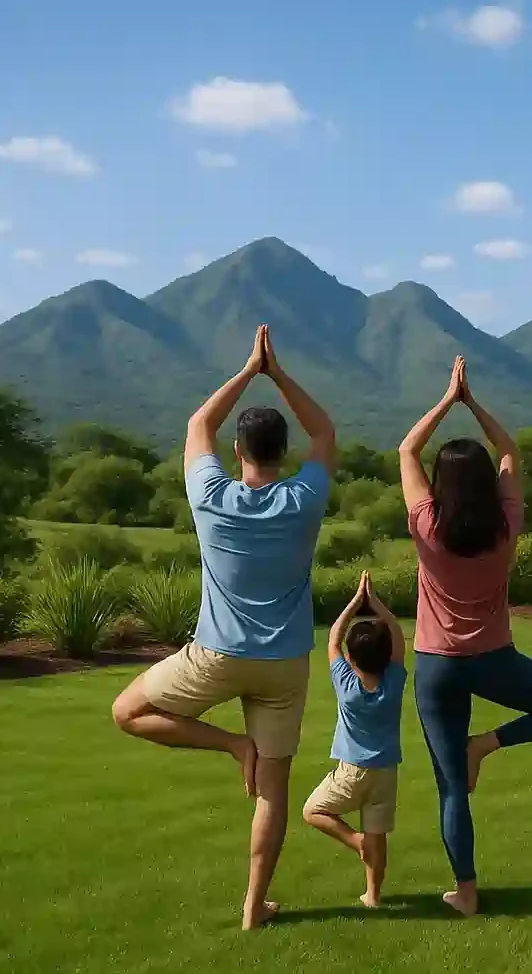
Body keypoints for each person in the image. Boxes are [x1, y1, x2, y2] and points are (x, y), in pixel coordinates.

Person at [111, 324, 336, 930]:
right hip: (285, 666)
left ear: (239, 451)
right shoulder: (303, 498)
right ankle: (253, 906)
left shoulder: (212, 495)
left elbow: (196, 427)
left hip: (214, 656)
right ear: (283, 453)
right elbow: (325, 431)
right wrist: (278, 372)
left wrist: (249, 368)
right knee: (273, 789)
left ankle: (231, 746)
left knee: (126, 711)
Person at [401, 356, 532, 917]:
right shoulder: (505, 523)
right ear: (486, 483)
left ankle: (468, 893)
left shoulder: (427, 524)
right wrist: (473, 403)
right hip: (493, 658)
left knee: (452, 788)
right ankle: (488, 743)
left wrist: (445, 401)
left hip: (436, 664)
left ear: (441, 483)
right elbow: (511, 452)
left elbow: (407, 451)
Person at [303, 571, 406, 909]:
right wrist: (375, 603)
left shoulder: (347, 686)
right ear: (387, 654)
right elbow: (399, 638)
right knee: (379, 836)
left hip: (353, 772)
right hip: (386, 772)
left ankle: (355, 841)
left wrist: (353, 603)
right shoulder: (393, 682)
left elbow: (333, 640)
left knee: (313, 811)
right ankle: (373, 896)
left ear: (353, 656)